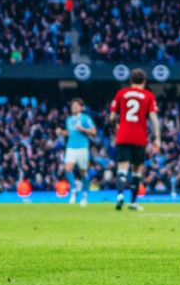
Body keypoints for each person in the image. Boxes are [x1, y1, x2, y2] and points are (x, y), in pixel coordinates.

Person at [109, 69, 161, 212]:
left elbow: (111, 118)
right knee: (137, 170)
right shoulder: (148, 95)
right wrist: (157, 138)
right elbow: (153, 118)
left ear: (131, 80)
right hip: (139, 137)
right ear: (144, 81)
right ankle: (132, 202)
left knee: (122, 169)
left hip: (123, 136)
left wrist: (116, 129)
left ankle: (120, 196)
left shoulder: (121, 93)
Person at [56, 98, 97, 206]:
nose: (74, 107)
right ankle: (73, 190)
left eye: (76, 105)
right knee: (68, 168)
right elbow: (69, 133)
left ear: (80, 107)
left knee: (83, 172)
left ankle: (84, 195)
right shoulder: (68, 119)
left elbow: (94, 131)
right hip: (70, 147)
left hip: (82, 147)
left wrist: (83, 129)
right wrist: (61, 132)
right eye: (72, 106)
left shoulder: (85, 118)